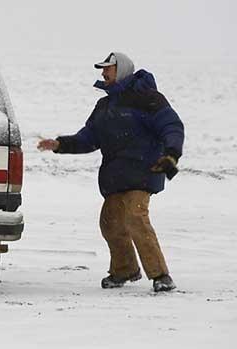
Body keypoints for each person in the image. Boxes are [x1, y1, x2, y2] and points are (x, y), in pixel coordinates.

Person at [38, 52, 184, 293]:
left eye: (108, 69)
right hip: (116, 177)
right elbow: (88, 138)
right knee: (109, 223)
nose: (103, 73)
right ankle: (124, 270)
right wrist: (60, 144)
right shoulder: (104, 106)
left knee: (135, 217)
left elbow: (172, 126)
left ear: (122, 70)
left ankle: (161, 275)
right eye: (103, 69)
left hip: (143, 172)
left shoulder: (148, 98)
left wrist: (171, 153)